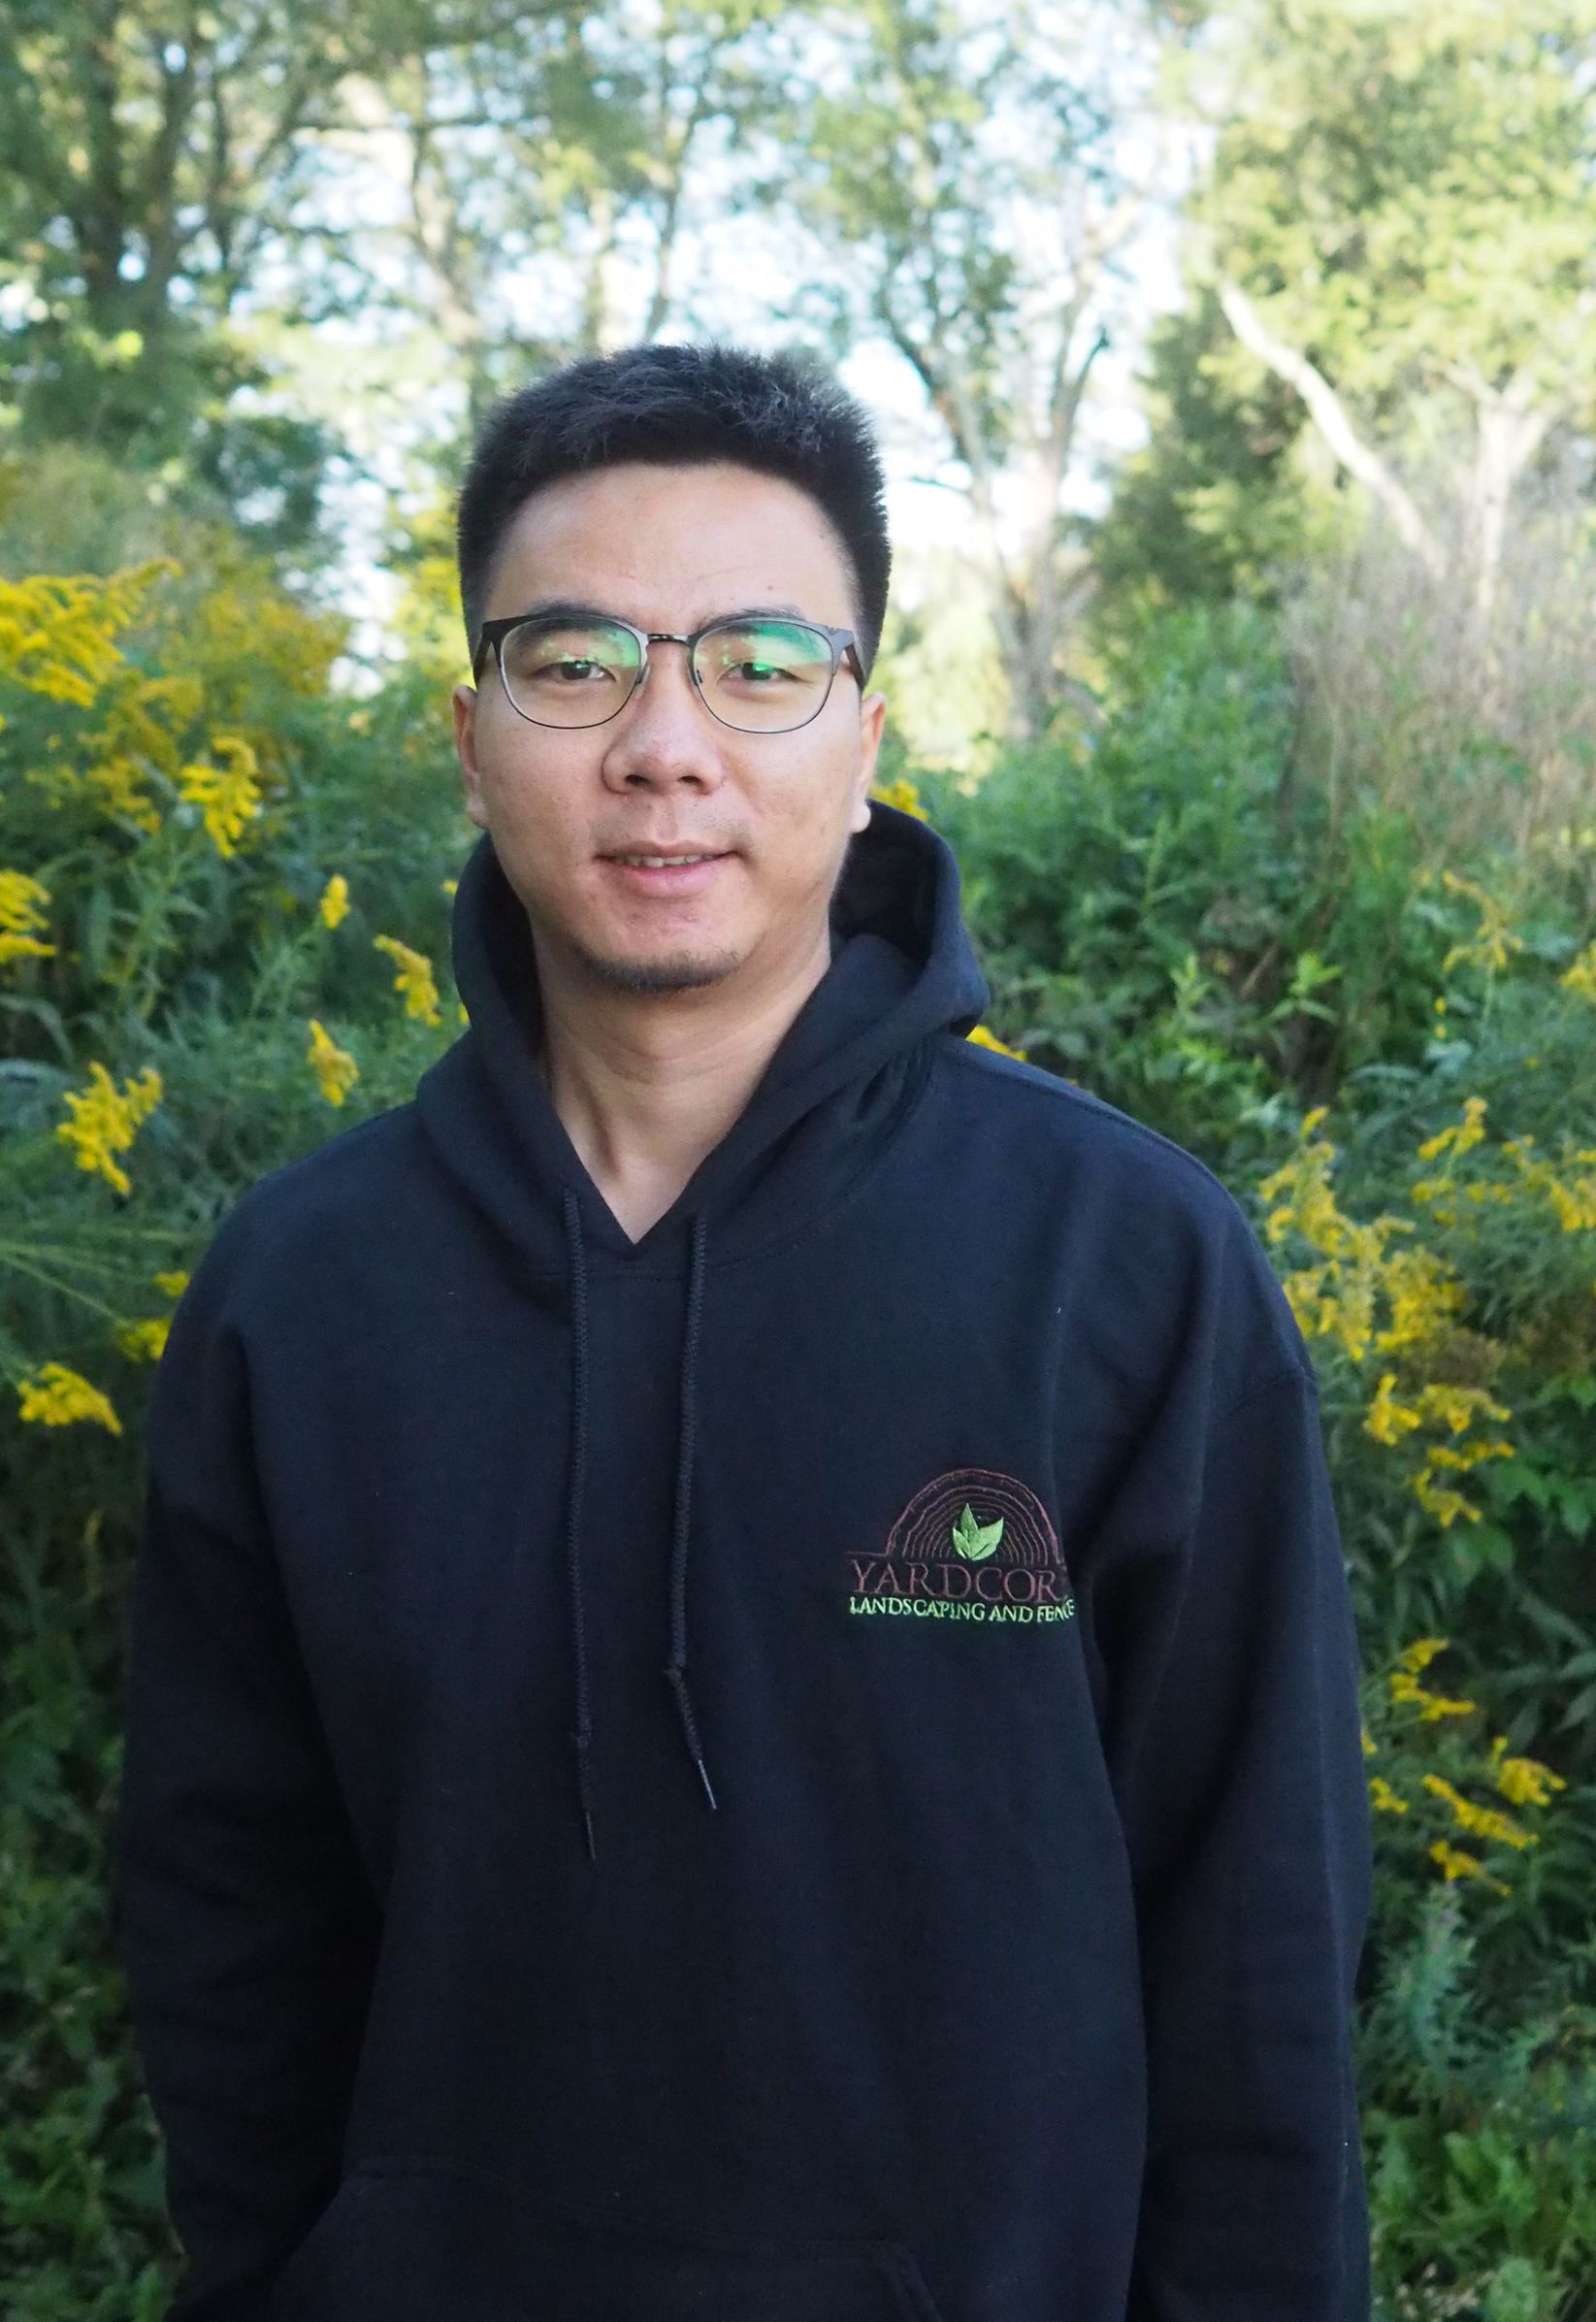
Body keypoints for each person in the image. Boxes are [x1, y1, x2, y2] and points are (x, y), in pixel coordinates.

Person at [113, 342, 1374, 2322]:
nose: (665, 743)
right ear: (468, 735)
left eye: (758, 661)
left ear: (864, 732)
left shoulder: (1123, 1266)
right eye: (575, 659)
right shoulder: (300, 1295)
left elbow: (1256, 1959)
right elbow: (228, 1930)